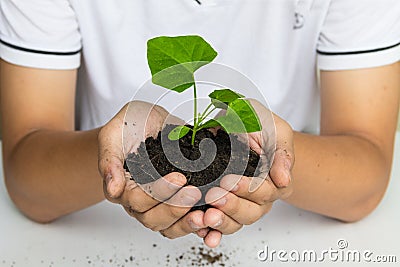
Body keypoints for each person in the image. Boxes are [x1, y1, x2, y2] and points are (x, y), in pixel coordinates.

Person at [0, 0, 399, 249]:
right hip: (95, 227)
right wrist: (115, 161)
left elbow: (365, 174)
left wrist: (273, 158)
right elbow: (26, 178)